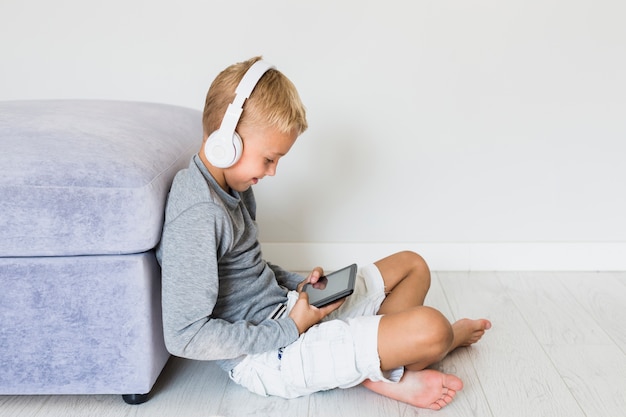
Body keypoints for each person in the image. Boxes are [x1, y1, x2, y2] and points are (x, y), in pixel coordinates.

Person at [156, 56, 491, 410]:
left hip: (291, 312)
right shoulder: (197, 213)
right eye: (269, 159)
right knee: (435, 330)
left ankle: (370, 357)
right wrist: (291, 329)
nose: (272, 172)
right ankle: (383, 369)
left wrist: (298, 285)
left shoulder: (233, 187)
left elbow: (246, 268)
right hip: (268, 356)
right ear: (227, 141)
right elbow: (184, 336)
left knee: (413, 265)